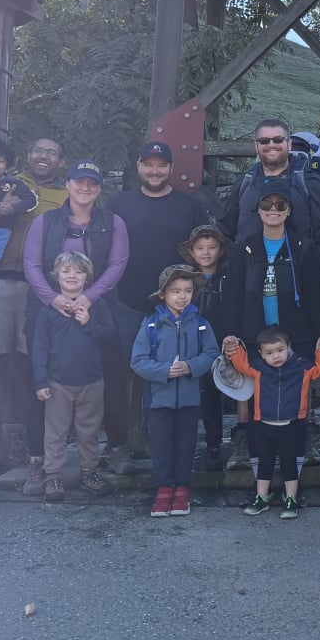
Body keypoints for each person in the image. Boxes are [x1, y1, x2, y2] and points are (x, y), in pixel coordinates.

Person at [23, 159, 129, 491]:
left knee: (108, 382)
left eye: (92, 183)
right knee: (42, 384)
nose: (85, 188)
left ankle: (109, 453)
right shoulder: (45, 221)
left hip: (97, 308)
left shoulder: (113, 222)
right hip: (47, 308)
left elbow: (117, 264)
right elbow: (31, 263)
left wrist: (90, 298)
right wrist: (51, 298)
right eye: (79, 182)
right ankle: (40, 463)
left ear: (100, 189)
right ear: (67, 185)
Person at [0, 136, 65, 477]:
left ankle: (36, 451)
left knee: (31, 370)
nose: (44, 156)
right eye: (38, 150)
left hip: (39, 292)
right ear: (28, 156)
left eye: (51, 153)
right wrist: (0, 208)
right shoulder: (5, 183)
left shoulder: (65, 198)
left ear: (60, 163)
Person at [109, 141, 211, 466]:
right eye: (148, 164)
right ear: (138, 166)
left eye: (161, 165)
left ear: (170, 169)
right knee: (125, 372)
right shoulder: (119, 203)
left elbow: (203, 250)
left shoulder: (189, 205)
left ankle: (166, 442)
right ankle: (121, 443)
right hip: (127, 301)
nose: (155, 171)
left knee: (174, 369)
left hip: (175, 307)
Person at [225, 183, 320, 476]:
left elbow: (316, 292)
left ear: (289, 211)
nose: (273, 210)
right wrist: (230, 331)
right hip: (253, 326)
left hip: (295, 327)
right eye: (267, 205)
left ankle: (304, 438)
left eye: (279, 205)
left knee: (299, 382)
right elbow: (232, 292)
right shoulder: (244, 247)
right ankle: (245, 441)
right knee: (249, 383)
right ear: (258, 211)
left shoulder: (302, 247)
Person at [130, 265, 218, 517]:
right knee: (160, 446)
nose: (182, 296)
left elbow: (212, 354)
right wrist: (164, 371)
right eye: (175, 291)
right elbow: (138, 361)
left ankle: (182, 488)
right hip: (159, 401)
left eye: (187, 291)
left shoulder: (201, 325)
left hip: (190, 400)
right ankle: (163, 488)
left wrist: (191, 366)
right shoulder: (150, 325)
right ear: (163, 295)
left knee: (185, 445)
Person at [30, 252, 114, 502]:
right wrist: (40, 381)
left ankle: (89, 471)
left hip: (91, 379)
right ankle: (53, 475)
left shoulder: (97, 305)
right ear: (56, 277)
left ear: (87, 278)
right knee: (54, 432)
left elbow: (109, 335)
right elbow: (39, 347)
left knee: (88, 431)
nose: (72, 276)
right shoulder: (48, 310)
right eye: (66, 271)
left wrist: (88, 323)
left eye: (78, 271)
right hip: (58, 382)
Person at [225, 325, 320, 520]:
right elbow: (241, 365)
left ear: (289, 346)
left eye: (280, 350)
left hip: (293, 425)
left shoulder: (302, 366)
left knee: (289, 464)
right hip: (263, 425)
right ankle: (261, 497)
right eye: (269, 353)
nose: (276, 356)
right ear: (261, 354)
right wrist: (234, 346)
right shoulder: (257, 368)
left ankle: (291, 499)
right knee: (264, 464)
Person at [220, 118, 320, 259]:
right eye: (264, 141)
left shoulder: (309, 182)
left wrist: (312, 270)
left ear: (289, 144)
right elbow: (226, 229)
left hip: (295, 273)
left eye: (278, 140)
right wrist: (233, 267)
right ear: (256, 146)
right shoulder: (244, 183)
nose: (271, 145)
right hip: (248, 272)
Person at [181, 226, 239, 469]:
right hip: (196, 348)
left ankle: (243, 439)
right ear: (191, 252)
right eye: (200, 248)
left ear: (220, 250)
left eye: (212, 248)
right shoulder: (184, 280)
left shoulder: (229, 277)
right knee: (205, 397)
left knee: (238, 392)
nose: (206, 253)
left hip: (226, 342)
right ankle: (211, 444)